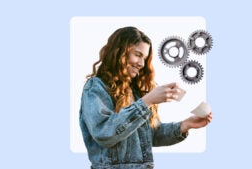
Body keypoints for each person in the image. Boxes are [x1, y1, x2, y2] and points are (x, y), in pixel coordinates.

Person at [79, 26, 213, 169]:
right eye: (137, 54)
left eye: (144, 58)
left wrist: (185, 125)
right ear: (119, 52)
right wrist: (146, 101)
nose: (142, 64)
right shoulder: (95, 88)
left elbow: (150, 135)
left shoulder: (135, 91)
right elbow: (104, 133)